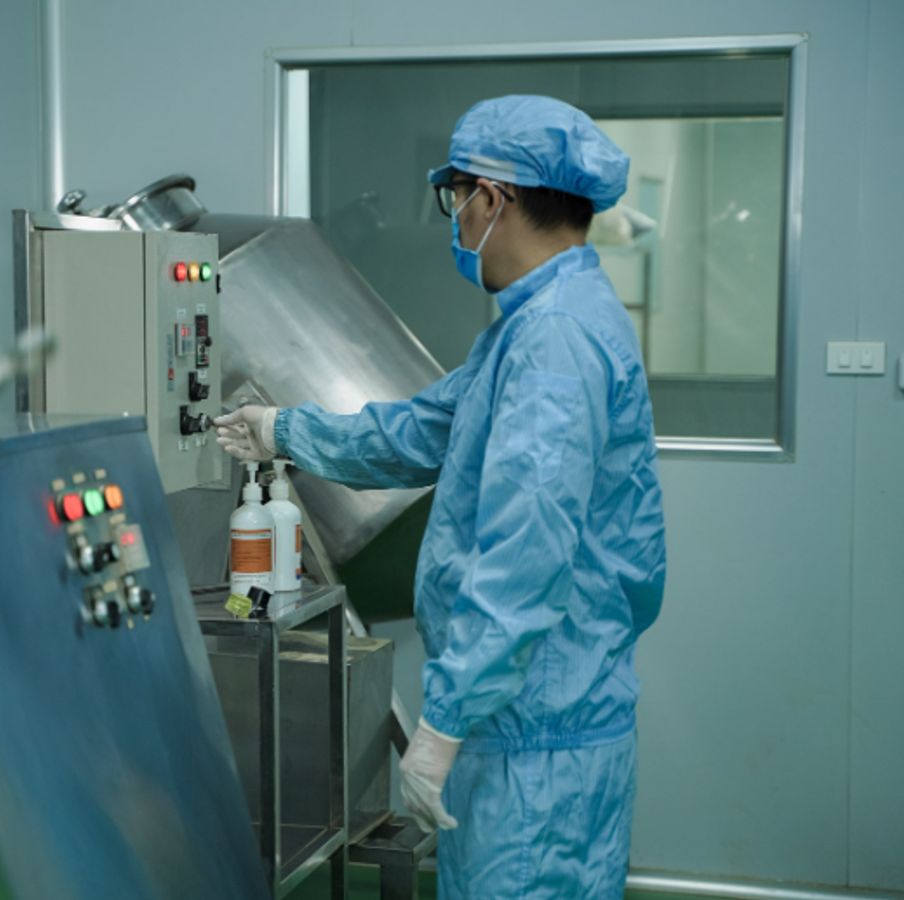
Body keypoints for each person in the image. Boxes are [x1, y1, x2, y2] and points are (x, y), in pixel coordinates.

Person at [215, 94, 666, 899]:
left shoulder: (555, 341)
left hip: (533, 748)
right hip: (535, 730)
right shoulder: (535, 327)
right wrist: (285, 431)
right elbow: (420, 431)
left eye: (455, 199)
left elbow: (525, 554)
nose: (454, 222)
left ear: (493, 197)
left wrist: (446, 722)